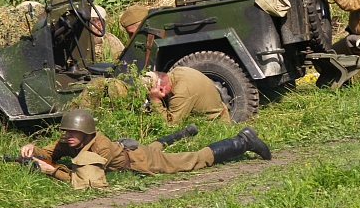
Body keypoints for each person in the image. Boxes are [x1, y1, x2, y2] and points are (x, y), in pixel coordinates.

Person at [20, 109, 270, 189]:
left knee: (192, 159)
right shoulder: (69, 141)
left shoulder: (101, 147)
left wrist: (48, 171)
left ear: (87, 133)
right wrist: (34, 151)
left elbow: (86, 181)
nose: (67, 137)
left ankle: (244, 140)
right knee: (157, 145)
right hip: (130, 150)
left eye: (73, 133)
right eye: (66, 132)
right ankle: (184, 132)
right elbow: (49, 153)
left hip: (141, 161)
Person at [143, 68, 231, 124]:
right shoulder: (177, 72)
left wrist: (154, 99)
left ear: (161, 89)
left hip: (214, 127)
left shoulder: (181, 92)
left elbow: (170, 126)